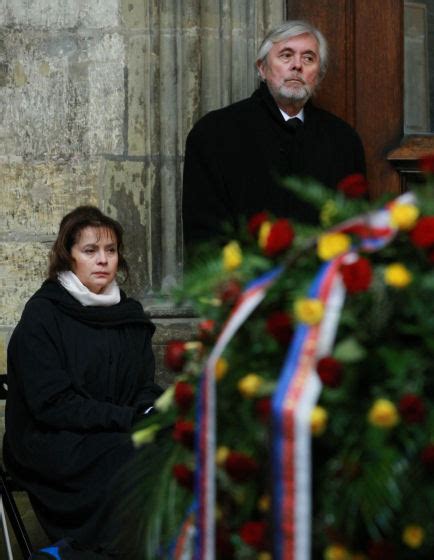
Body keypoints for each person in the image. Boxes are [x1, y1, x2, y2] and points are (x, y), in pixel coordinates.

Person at [3, 206, 163, 559]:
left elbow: (143, 384)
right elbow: (52, 404)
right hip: (52, 438)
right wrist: (127, 419)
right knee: (132, 454)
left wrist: (152, 410)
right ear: (68, 257)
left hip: (110, 430)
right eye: (90, 251)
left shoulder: (128, 315)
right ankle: (81, 553)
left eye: (110, 250)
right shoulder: (44, 315)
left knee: (174, 444)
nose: (103, 260)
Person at [182, 20, 366, 250]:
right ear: (262, 68)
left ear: (318, 75)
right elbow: (202, 234)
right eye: (286, 55)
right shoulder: (214, 134)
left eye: (309, 58)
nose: (297, 65)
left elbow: (356, 226)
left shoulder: (343, 141)